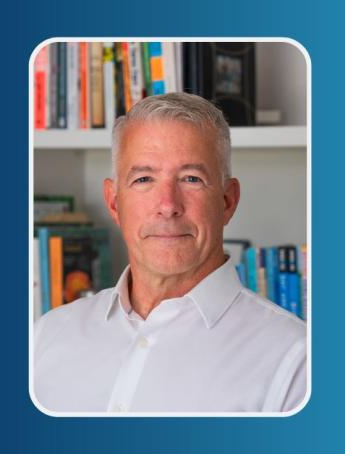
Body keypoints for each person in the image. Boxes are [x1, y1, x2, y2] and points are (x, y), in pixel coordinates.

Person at [32, 92, 307, 413]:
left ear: (227, 201)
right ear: (113, 202)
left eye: (191, 179)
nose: (167, 206)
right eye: (144, 178)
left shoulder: (295, 360)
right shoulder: (45, 337)